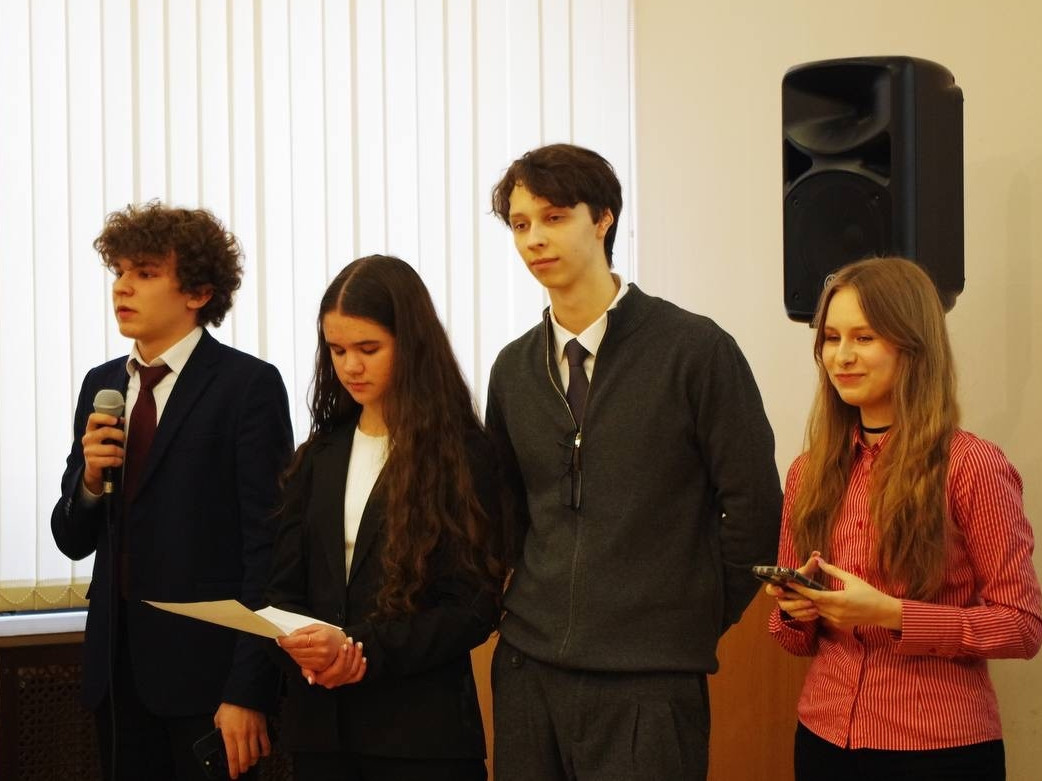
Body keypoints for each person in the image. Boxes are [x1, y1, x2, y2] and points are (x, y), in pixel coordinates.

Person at [485, 143, 782, 780]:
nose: (534, 238)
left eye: (554, 217)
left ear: (603, 218)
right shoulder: (513, 369)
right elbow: (506, 514)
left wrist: (690, 616)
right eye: (520, 223)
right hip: (528, 669)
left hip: (650, 679)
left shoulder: (695, 350)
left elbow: (754, 508)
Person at [766, 257, 1042, 780]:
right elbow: (792, 641)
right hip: (823, 738)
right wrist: (796, 609)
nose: (842, 356)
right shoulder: (808, 471)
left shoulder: (971, 465)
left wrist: (893, 614)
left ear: (912, 346)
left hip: (938, 750)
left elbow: (1022, 627)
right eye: (831, 339)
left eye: (864, 337)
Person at [51, 202, 294, 780]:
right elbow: (71, 539)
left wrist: (248, 688)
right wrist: (90, 481)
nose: (122, 287)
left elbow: (269, 548)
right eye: (119, 271)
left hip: (209, 679)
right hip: (117, 674)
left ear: (199, 292)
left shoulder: (247, 387)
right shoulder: (102, 386)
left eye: (145, 272)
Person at [266, 255, 504, 781]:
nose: (350, 366)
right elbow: (283, 590)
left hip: (421, 738)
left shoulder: (464, 455)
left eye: (368, 349)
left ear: (411, 344)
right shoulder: (319, 454)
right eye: (337, 350)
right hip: (321, 732)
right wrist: (305, 650)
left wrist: (358, 649)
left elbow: (471, 607)